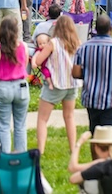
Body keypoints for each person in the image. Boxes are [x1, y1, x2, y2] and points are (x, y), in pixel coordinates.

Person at [73, 14, 112, 131]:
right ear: (111, 29)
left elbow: (75, 73)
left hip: (91, 97)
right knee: (111, 134)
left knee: (95, 133)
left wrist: (89, 73)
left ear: (96, 29)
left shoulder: (83, 48)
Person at [33, 14, 81, 153]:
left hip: (55, 84)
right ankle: (73, 149)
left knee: (42, 119)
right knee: (69, 116)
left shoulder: (53, 43)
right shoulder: (76, 42)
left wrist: (36, 56)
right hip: (71, 84)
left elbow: (39, 61)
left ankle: (40, 151)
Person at [0, 15, 29, 153]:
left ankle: (5, 156)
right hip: (21, 86)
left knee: (4, 125)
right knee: (20, 125)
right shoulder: (23, 46)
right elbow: (25, 64)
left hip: (3, 87)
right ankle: (20, 155)